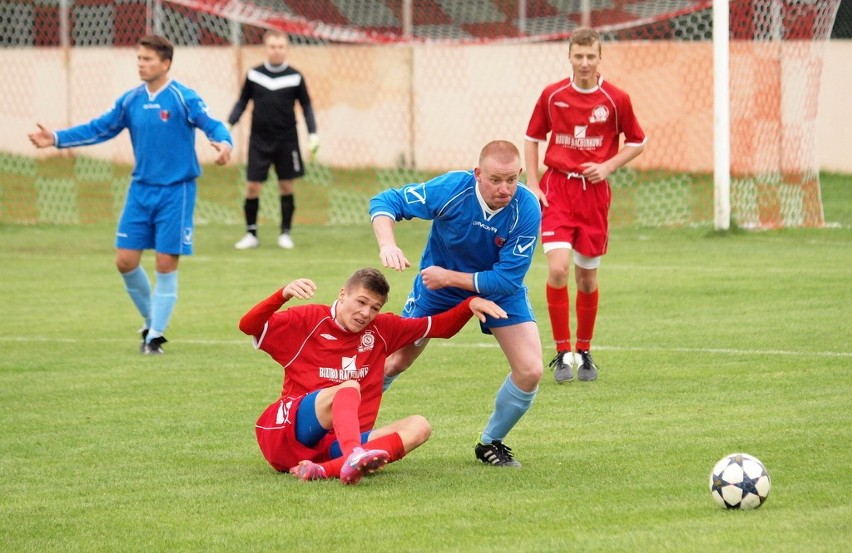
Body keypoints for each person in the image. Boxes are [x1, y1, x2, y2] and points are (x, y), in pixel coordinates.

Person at [28, 35, 232, 355]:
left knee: (165, 264)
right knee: (125, 261)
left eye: (148, 59)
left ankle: (154, 338)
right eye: (138, 58)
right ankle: (152, 319)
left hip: (176, 192)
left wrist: (224, 144)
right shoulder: (130, 100)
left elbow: (212, 124)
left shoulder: (183, 97)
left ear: (165, 64)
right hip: (140, 190)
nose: (141, 64)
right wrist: (55, 137)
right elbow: (99, 128)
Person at [239, 268, 507, 485]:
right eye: (361, 302)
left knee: (419, 426)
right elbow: (248, 326)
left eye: (374, 307)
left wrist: (469, 303)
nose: (366, 313)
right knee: (348, 387)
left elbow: (439, 327)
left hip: (335, 447)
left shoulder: (382, 329)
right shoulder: (307, 319)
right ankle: (355, 455)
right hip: (290, 436)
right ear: (343, 294)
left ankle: (323, 470)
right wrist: (283, 294)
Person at [370, 140, 543, 468]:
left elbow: (506, 280)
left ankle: (490, 442)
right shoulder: (452, 188)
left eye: (511, 180)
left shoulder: (528, 208)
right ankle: (338, 430)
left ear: (520, 174)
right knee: (393, 362)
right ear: (478, 174)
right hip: (437, 292)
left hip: (490, 290)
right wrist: (387, 245)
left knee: (530, 370)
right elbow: (385, 201)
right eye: (495, 179)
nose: (504, 189)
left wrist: (449, 277)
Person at [524, 27, 647, 383]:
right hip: (558, 190)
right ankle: (563, 352)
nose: (584, 62)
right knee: (559, 269)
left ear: (599, 58)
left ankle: (585, 350)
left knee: (587, 279)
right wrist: (533, 184)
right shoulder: (552, 95)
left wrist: (608, 166)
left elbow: (638, 141)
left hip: (593, 195)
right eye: (578, 56)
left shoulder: (615, 99)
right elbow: (532, 138)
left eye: (590, 56)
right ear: (569, 57)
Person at [228, 30, 319, 251]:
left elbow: (306, 106)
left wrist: (313, 133)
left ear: (286, 49)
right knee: (252, 187)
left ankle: (285, 233)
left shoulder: (295, 76)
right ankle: (251, 234)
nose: (276, 50)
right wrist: (228, 125)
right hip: (259, 139)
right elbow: (242, 102)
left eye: (280, 46)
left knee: (286, 186)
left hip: (287, 140)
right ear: (266, 48)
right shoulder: (254, 74)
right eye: (272, 46)